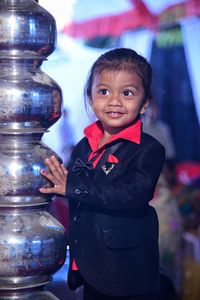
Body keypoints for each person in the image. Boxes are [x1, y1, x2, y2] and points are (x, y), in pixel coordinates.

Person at [39, 48, 166, 300]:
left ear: (145, 103)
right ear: (90, 98)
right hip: (89, 263)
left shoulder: (148, 149)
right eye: (104, 91)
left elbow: (132, 194)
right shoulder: (83, 146)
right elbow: (73, 190)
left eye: (127, 93)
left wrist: (71, 186)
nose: (114, 101)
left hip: (125, 272)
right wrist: (53, 184)